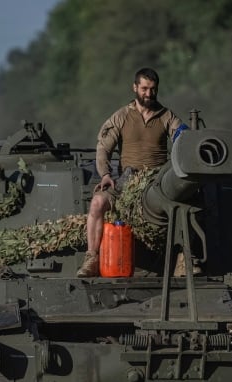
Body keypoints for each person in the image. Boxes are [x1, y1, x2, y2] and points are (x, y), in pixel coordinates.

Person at [77, 67, 186, 278]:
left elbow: (184, 141)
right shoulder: (121, 117)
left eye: (153, 89)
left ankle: (185, 260)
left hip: (158, 183)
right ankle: (91, 257)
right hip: (126, 182)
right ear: (135, 87)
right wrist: (106, 174)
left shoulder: (167, 117)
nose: (148, 94)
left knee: (185, 205)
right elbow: (103, 148)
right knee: (97, 203)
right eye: (144, 89)